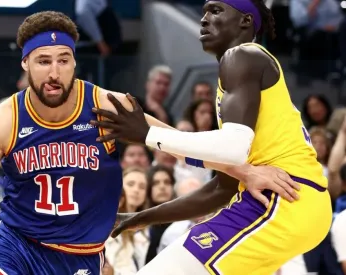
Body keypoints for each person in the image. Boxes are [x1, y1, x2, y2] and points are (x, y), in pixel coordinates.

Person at [0, 11, 298, 275]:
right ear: (26, 63)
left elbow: (177, 143)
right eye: (44, 61)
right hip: (16, 245)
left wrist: (245, 170)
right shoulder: (2, 118)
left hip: (81, 254)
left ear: (74, 62)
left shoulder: (106, 105)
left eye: (64, 61)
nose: (55, 72)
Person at [90, 0, 332, 274]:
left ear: (246, 21)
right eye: (204, 11)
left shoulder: (242, 56)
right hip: (293, 202)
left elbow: (232, 151)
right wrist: (140, 218)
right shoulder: (236, 79)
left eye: (216, 11)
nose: (204, 19)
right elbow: (223, 188)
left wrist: (148, 134)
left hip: (284, 199)